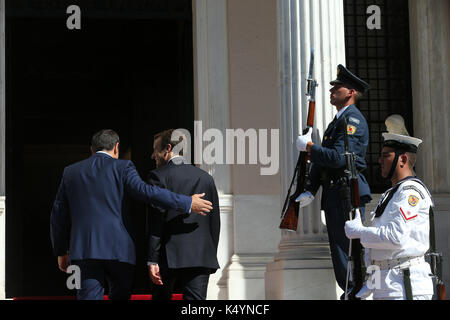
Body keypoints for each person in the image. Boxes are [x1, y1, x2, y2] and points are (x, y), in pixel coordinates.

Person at [50, 129, 213, 300]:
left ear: (92, 150)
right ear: (116, 148)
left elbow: (58, 214)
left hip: (84, 251)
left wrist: (61, 251)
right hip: (119, 251)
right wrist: (186, 202)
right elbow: (147, 192)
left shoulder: (71, 172)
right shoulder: (123, 167)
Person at [296, 64, 372, 298]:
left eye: (337, 88)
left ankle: (353, 291)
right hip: (335, 192)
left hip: (346, 192)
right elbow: (326, 160)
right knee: (339, 248)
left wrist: (310, 148)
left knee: (346, 249)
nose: (332, 91)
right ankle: (350, 291)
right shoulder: (337, 121)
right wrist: (311, 187)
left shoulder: (352, 120)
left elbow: (339, 158)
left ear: (350, 92)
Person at [344, 115, 434, 300]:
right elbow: (379, 252)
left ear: (402, 159)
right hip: (387, 286)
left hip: (405, 286)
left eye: (386, 156)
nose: (380, 160)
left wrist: (361, 232)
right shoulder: (390, 194)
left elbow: (395, 237)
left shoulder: (410, 193)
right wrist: (370, 284)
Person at [147, 129, 220, 300]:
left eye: (155, 149)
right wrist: (209, 253)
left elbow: (155, 221)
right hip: (201, 255)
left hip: (167, 256)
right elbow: (214, 223)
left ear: (168, 148)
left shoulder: (157, 176)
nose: (152, 155)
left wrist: (152, 259)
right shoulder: (206, 178)